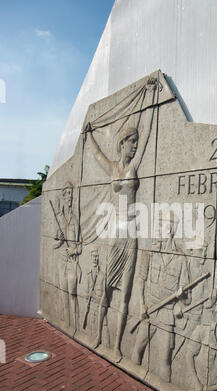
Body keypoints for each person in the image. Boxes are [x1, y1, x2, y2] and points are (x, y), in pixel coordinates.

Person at [84, 78, 157, 362]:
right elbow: (96, 153)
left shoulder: (134, 167)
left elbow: (149, 132)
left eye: (137, 142)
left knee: (124, 294)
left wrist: (151, 98)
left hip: (132, 235)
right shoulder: (114, 167)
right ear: (123, 143)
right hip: (116, 234)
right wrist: (87, 133)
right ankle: (99, 336)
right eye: (132, 142)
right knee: (105, 288)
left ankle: (115, 346)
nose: (136, 146)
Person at [131, 213, 191, 383]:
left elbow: (187, 300)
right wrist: (142, 305)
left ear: (171, 229)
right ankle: (132, 379)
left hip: (166, 315)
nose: (157, 230)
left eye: (161, 226)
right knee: (139, 347)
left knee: (165, 359)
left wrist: (182, 297)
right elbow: (140, 281)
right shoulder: (149, 252)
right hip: (149, 310)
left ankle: (165, 390)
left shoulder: (180, 259)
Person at [53, 181, 82, 332]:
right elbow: (54, 244)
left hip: (72, 262)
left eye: (71, 193)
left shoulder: (75, 219)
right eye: (67, 193)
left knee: (73, 293)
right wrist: (61, 240)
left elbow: (81, 245)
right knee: (64, 293)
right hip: (62, 261)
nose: (70, 196)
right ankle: (67, 324)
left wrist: (74, 250)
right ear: (63, 197)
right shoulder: (59, 218)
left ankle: (75, 326)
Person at [84, 248, 108, 345]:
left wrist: (94, 296)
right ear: (90, 258)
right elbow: (85, 295)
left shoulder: (102, 277)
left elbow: (105, 302)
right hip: (90, 313)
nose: (95, 259)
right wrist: (88, 295)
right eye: (93, 256)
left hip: (100, 316)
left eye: (96, 256)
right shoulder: (88, 275)